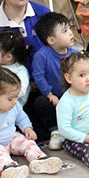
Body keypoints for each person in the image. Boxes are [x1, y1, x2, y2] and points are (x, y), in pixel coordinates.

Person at [0, 69, 62, 178]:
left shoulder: (13, 106)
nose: (15, 101)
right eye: (10, 98)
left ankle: (39, 159)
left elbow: (21, 117)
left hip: (12, 137)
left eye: (16, 97)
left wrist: (27, 128)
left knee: (28, 143)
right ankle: (10, 168)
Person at [30, 12, 80, 147]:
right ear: (51, 40)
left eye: (70, 28)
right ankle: (56, 131)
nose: (70, 33)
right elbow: (39, 77)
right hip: (54, 95)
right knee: (40, 102)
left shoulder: (74, 54)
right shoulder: (42, 56)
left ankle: (82, 125)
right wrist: (49, 94)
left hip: (73, 94)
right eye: (65, 31)